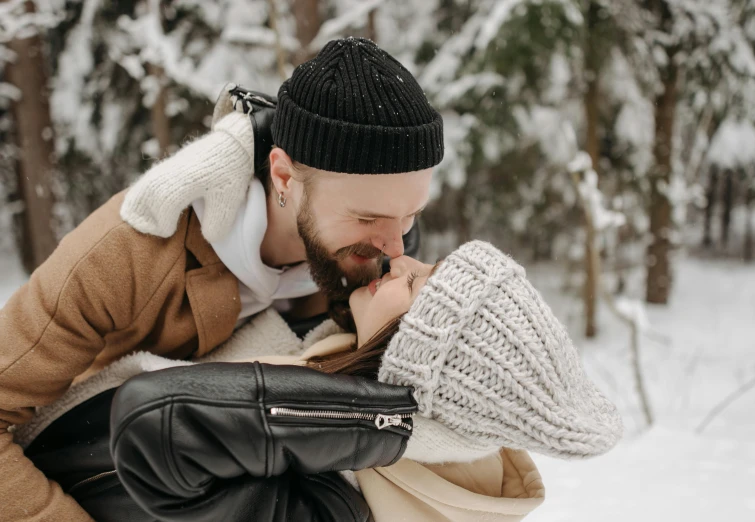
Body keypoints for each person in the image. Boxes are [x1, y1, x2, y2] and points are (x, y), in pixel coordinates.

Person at [0, 36, 443, 521]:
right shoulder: (129, 252)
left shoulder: (383, 267)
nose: (395, 248)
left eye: (410, 216)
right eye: (367, 218)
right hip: (93, 471)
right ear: (284, 178)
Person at [20, 241, 621, 520]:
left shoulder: (349, 502)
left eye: (415, 285)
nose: (401, 259)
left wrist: (390, 417)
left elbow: (157, 424)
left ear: (418, 362)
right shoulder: (328, 354)